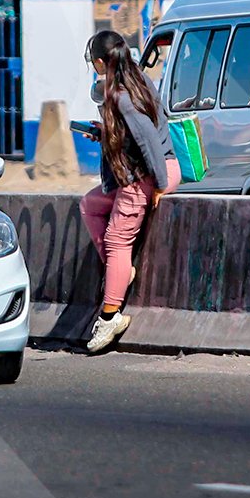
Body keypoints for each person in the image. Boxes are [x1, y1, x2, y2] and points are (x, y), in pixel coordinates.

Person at [78, 30, 181, 353]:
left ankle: (110, 316)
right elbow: (139, 128)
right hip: (146, 170)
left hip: (148, 173)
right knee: (91, 205)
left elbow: (148, 137)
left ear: (99, 62)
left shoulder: (121, 95)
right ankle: (121, 269)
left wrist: (160, 185)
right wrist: (104, 132)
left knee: (117, 239)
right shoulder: (138, 79)